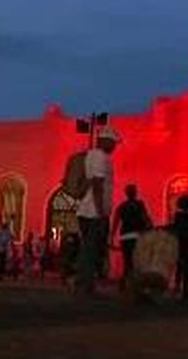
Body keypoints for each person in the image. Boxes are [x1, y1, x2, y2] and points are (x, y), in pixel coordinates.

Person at [75, 126, 121, 297]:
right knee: (91, 250)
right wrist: (101, 211)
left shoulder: (92, 155)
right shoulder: (101, 157)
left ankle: (83, 283)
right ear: (105, 141)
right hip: (93, 212)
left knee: (88, 248)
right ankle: (85, 286)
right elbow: (97, 184)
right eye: (113, 142)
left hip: (86, 210)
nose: (114, 146)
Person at [111, 184, 153, 290]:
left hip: (125, 236)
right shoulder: (140, 204)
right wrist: (151, 228)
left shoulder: (121, 207)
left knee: (128, 260)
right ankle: (135, 283)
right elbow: (145, 217)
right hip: (137, 235)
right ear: (135, 193)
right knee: (137, 260)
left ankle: (124, 282)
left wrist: (112, 236)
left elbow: (116, 222)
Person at [171, 195, 188, 307]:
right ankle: (187, 291)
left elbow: (175, 228)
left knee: (180, 268)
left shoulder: (177, 216)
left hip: (181, 243)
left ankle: (178, 289)